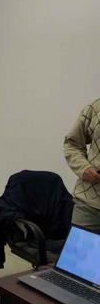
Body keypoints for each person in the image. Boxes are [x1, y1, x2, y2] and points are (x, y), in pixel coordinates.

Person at [64, 98, 100, 232]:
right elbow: (72, 144)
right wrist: (84, 168)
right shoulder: (96, 108)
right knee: (78, 246)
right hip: (90, 205)